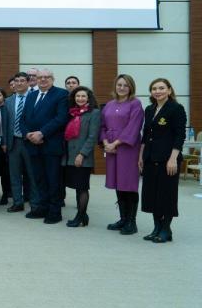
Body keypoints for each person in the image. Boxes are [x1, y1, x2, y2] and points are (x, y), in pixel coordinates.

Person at [139, 78, 186, 243]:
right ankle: (156, 227)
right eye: (154, 88)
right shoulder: (149, 109)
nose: (157, 91)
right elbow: (145, 135)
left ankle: (166, 229)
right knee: (152, 195)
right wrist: (141, 156)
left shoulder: (176, 109)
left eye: (161, 88)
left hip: (168, 159)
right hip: (150, 158)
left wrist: (173, 158)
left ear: (169, 90)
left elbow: (180, 136)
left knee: (166, 195)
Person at [20, 68, 69, 224]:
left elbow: (60, 118)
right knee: (39, 179)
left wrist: (41, 133)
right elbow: (23, 118)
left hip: (51, 145)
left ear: (53, 79)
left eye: (47, 77)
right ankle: (42, 207)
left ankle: (55, 211)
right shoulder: (31, 95)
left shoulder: (61, 94)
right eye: (39, 77)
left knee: (53, 179)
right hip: (33, 145)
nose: (43, 80)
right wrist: (27, 134)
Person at [100, 74, 144, 234]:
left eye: (125, 85)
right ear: (115, 86)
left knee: (129, 184)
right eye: (119, 84)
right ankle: (123, 218)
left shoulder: (135, 104)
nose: (122, 88)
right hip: (111, 148)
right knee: (118, 183)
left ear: (130, 87)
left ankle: (132, 222)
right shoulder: (109, 104)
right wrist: (105, 143)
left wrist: (115, 143)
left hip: (127, 147)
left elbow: (134, 127)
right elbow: (102, 126)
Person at [61, 86, 100, 227]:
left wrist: (82, 154)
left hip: (83, 156)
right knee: (77, 187)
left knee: (82, 187)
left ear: (89, 98)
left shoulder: (94, 113)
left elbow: (92, 136)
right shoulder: (72, 113)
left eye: (83, 96)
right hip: (69, 156)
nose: (80, 99)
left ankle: (80, 216)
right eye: (77, 96)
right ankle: (83, 216)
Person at [3, 72, 37, 213]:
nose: (19, 83)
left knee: (32, 174)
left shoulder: (34, 98)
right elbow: (5, 123)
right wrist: (5, 142)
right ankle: (18, 202)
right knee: (14, 174)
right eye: (16, 81)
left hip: (30, 142)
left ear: (28, 82)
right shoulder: (9, 100)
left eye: (22, 80)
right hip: (13, 141)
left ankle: (35, 203)